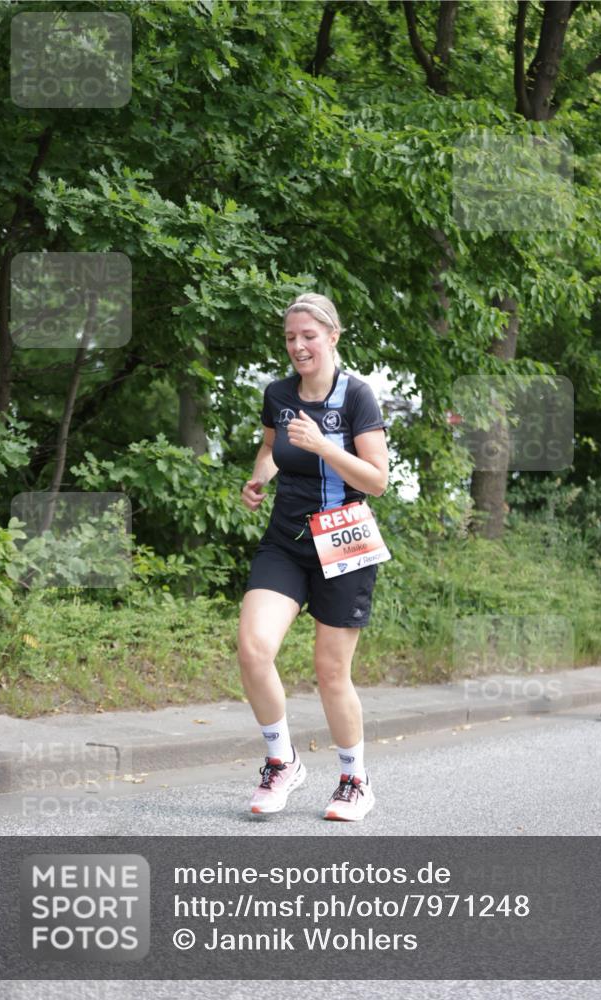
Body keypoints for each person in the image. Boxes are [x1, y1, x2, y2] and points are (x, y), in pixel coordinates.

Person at [238, 292, 389, 820]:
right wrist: (259, 479)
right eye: (289, 337)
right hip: (287, 539)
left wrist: (326, 446)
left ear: (332, 337)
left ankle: (354, 779)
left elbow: (378, 480)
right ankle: (282, 761)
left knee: (330, 671)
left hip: (345, 539)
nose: (298, 346)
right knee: (254, 648)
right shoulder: (279, 393)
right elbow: (270, 448)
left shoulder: (357, 397)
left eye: (308, 336)